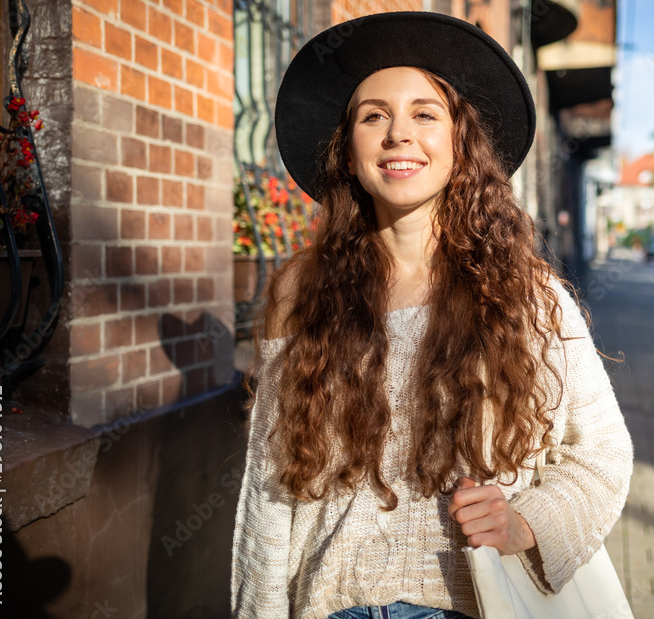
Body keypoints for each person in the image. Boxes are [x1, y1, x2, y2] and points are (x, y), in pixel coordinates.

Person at [230, 12, 633, 619]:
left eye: (425, 113)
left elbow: (602, 451)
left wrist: (526, 524)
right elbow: (271, 482)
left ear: (459, 141)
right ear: (349, 149)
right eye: (373, 116)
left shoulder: (525, 294)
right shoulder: (301, 290)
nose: (398, 134)